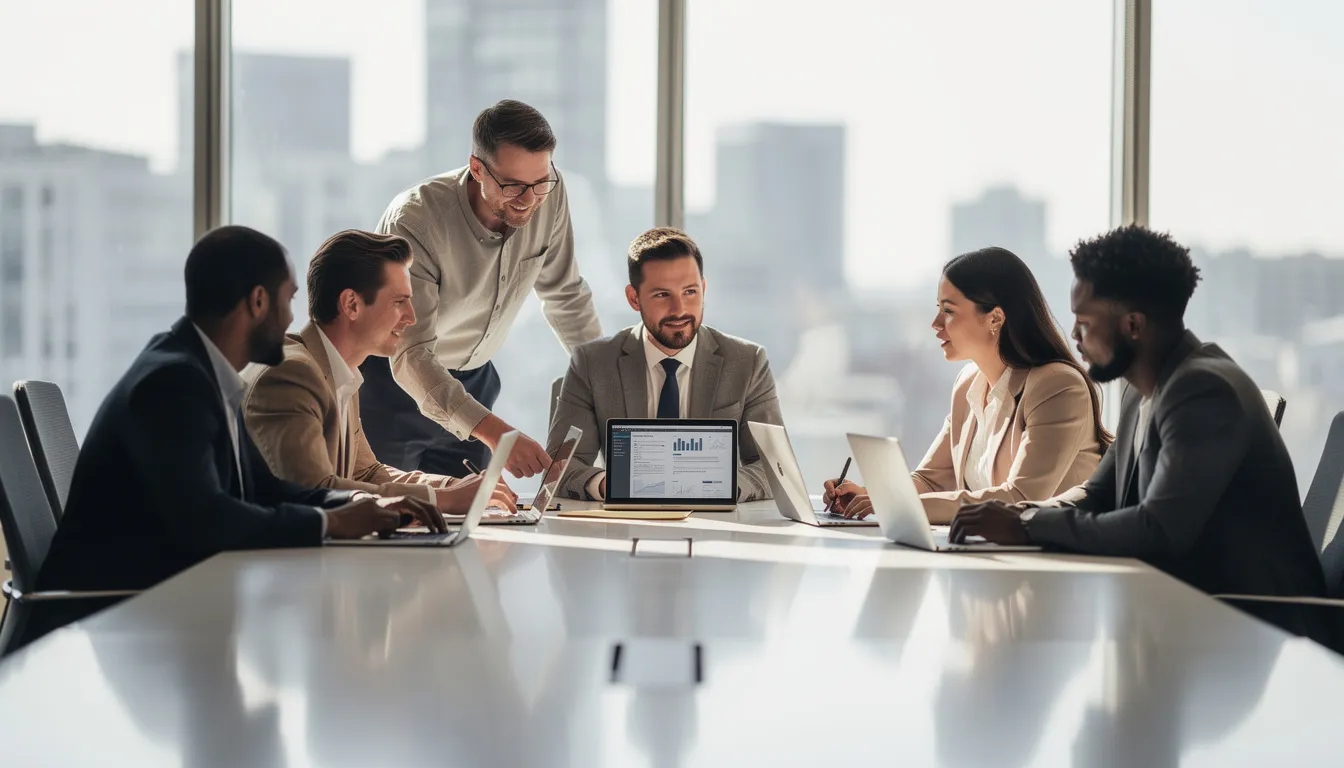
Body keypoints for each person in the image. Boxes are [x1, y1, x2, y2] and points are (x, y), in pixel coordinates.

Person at [33, 226, 445, 634]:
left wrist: (352, 501)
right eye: (288, 301)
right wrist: (332, 523)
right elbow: (207, 519)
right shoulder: (173, 383)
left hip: (156, 603)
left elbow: (264, 488)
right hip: (108, 619)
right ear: (258, 302)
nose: (291, 318)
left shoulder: (199, 371)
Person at [948, 226, 1326, 598]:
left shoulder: (1204, 390)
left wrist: (1028, 525)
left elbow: (1158, 532)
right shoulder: (1141, 390)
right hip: (1185, 609)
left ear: (1132, 325)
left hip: (1257, 623)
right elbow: (1098, 494)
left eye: (1085, 322)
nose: (1074, 336)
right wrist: (1020, 515)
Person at [359, 99, 602, 481]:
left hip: (475, 383)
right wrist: (499, 434)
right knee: (387, 519)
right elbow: (411, 354)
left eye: (540, 182)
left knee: (471, 519)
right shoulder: (415, 221)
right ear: (477, 169)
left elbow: (565, 294)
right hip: (396, 388)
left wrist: (603, 384)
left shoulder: (549, 194)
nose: (530, 200)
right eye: (513, 186)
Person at [824, 247, 1109, 523]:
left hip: (1055, 562)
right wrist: (870, 497)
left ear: (995, 318)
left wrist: (896, 503)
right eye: (938, 309)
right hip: (993, 555)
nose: (936, 323)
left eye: (948, 311)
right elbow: (930, 480)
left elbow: (1020, 499)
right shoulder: (968, 385)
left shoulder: (1058, 386)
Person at [243, 230, 517, 513]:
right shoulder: (292, 374)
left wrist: (454, 487)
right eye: (400, 302)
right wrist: (441, 500)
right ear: (352, 305)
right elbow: (313, 491)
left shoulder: (338, 372)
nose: (412, 317)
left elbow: (367, 474)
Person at [545, 227, 782, 502]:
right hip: (626, 526)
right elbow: (558, 468)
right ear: (634, 298)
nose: (679, 309)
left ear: (703, 289)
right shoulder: (592, 362)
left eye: (690, 292)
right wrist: (607, 484)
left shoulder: (748, 362)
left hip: (717, 529)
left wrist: (720, 485)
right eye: (662, 295)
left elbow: (774, 467)